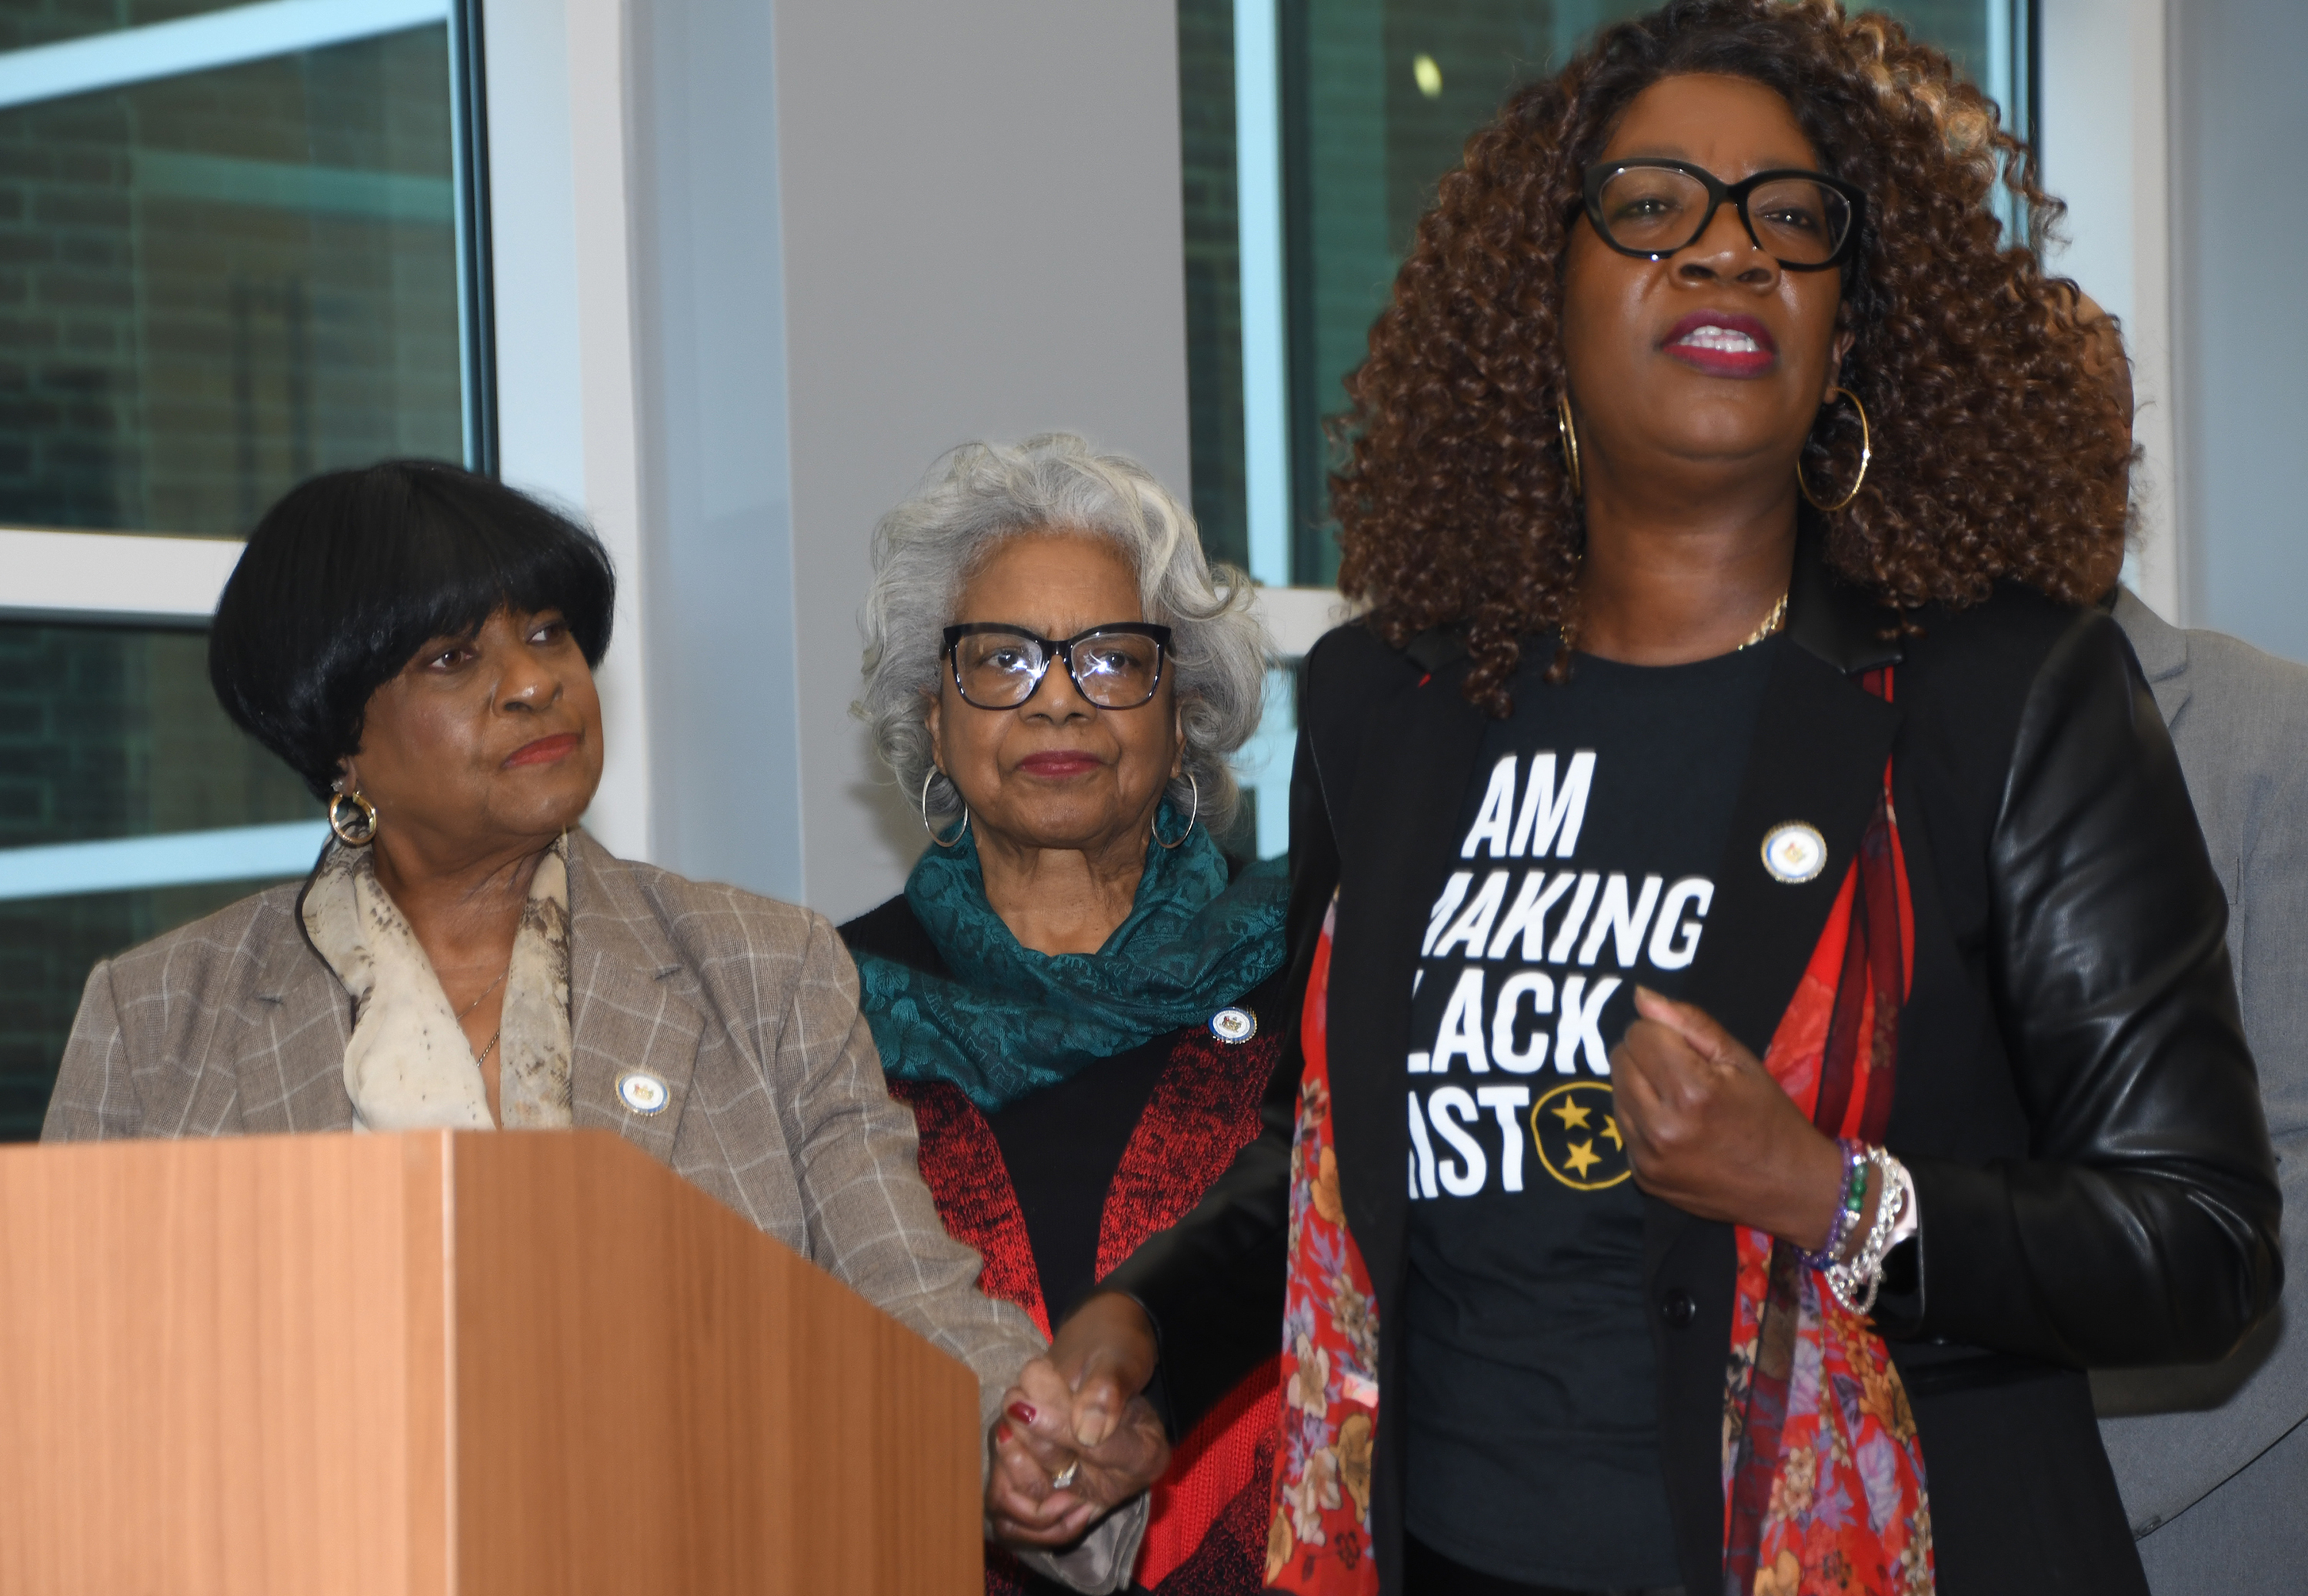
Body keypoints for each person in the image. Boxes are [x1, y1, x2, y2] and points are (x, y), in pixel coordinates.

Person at [985, 5, 2282, 1594]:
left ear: (1848, 329)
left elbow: (2195, 1245)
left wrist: (1822, 1191)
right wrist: (1144, 1335)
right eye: (1654, 208)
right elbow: (1327, 1149)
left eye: (1791, 222)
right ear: (1545, 299)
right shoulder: (1392, 705)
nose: (1730, 254)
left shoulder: (2002, 700)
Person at [39, 458, 1136, 1591]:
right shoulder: (160, 1016)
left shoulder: (763, 970)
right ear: (341, 738)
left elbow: (905, 1297)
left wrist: (1029, 1442)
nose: (534, 684)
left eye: (550, 634)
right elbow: (72, 1413)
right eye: (456, 658)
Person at [842, 435, 1287, 1594]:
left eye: (1108, 661)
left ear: (1180, 710)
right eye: (1000, 660)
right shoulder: (822, 1005)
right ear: (931, 718)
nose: (1054, 701)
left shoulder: (1314, 969)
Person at [2067, 307, 2308, 1592]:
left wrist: (2061, 1469)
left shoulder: (2277, 735)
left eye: (2108, 451)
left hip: (2209, 1518)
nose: (2083, 484)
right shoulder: (1857, 737)